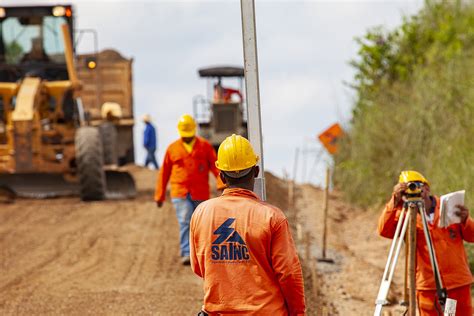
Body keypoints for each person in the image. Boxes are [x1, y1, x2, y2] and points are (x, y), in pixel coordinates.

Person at [190, 134, 306, 315]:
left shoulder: (201, 213)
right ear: (256, 171)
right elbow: (289, 274)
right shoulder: (272, 217)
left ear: (221, 175)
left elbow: (198, 267)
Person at [378, 170, 473, 316]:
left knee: (454, 314)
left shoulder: (448, 206)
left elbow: (472, 235)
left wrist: (466, 220)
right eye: (407, 189)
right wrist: (394, 201)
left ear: (427, 188)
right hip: (428, 286)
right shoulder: (404, 215)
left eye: (416, 186)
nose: (412, 191)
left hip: (456, 283)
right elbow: (384, 230)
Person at [155, 114, 223, 265]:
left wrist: (221, 184)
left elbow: (216, 167)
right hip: (180, 192)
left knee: (201, 223)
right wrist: (159, 195)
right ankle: (186, 252)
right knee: (185, 220)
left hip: (200, 192)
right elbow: (164, 172)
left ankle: (202, 253)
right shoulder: (172, 149)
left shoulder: (205, 146)